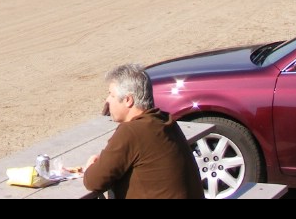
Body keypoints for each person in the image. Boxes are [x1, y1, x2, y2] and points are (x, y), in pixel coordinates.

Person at [82, 64, 204, 199]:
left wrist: (89, 167)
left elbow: (93, 181)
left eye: (111, 95)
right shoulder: (165, 120)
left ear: (128, 100)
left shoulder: (131, 131)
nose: (107, 100)